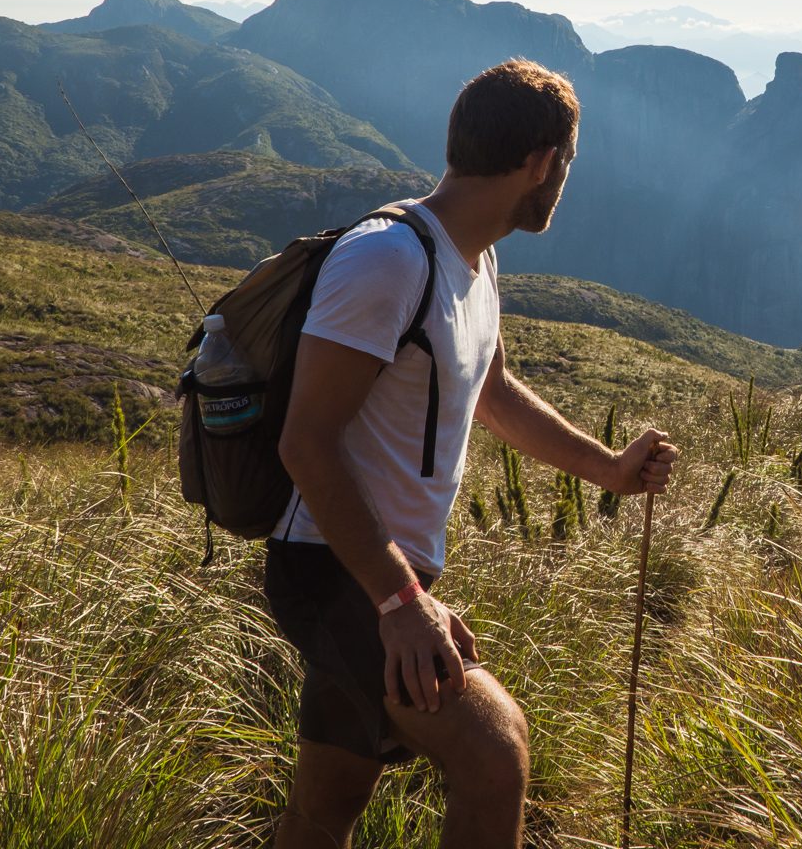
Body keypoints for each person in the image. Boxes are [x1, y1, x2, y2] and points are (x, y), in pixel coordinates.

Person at [266, 58, 679, 848]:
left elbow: (493, 393)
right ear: (541, 163)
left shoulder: (475, 261)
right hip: (333, 570)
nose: (564, 179)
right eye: (568, 163)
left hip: (378, 576)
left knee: (329, 804)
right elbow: (305, 442)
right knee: (496, 751)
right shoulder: (387, 260)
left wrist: (610, 470)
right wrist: (399, 603)